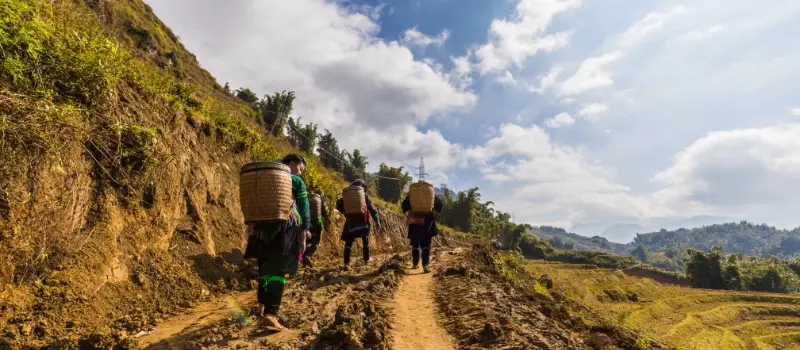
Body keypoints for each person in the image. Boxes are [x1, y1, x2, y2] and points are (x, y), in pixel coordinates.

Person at [243, 154, 311, 330]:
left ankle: (261, 304)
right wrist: (304, 232)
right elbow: (304, 206)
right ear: (290, 164)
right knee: (279, 270)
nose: (301, 173)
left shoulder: (261, 179)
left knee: (264, 267)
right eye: (300, 168)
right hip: (284, 228)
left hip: (259, 229)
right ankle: (271, 315)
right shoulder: (295, 181)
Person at [335, 179, 380, 269]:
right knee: (365, 239)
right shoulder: (364, 196)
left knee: (349, 241)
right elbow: (372, 210)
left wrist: (344, 212)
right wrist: (377, 221)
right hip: (363, 221)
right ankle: (366, 259)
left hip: (350, 221)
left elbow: (338, 203)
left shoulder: (347, 196)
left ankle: (346, 262)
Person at [402, 186, 444, 274]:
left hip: (414, 221)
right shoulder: (430, 194)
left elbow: (404, 206)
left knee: (415, 244)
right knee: (426, 245)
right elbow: (439, 205)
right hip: (427, 221)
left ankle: (415, 263)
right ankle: (425, 265)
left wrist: (408, 198)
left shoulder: (412, 194)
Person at [302, 188, 329, 268]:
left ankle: (303, 260)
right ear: (321, 194)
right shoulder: (320, 199)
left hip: (305, 223)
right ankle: (308, 256)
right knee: (316, 243)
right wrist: (327, 219)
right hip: (316, 224)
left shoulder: (306, 198)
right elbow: (326, 212)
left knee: (305, 242)